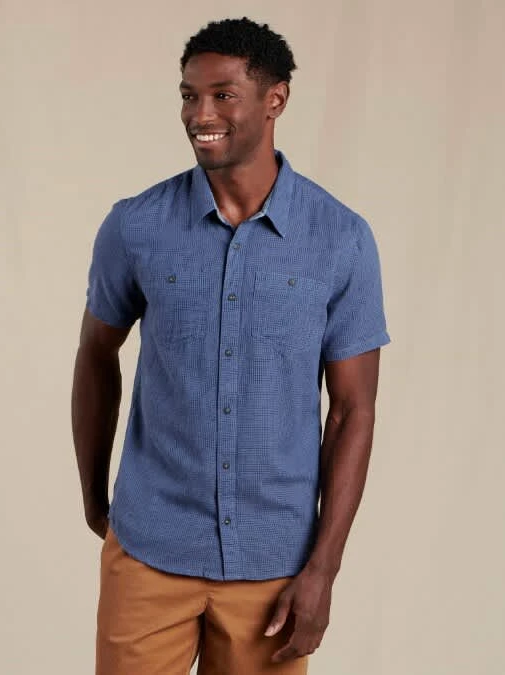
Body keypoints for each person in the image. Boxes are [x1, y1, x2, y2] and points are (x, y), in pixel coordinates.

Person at [71, 16, 390, 675]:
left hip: (275, 567)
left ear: (275, 100)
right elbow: (96, 356)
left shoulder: (341, 239)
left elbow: (352, 411)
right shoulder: (135, 226)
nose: (200, 115)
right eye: (189, 96)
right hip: (149, 547)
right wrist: (95, 499)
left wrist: (323, 569)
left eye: (223, 95)